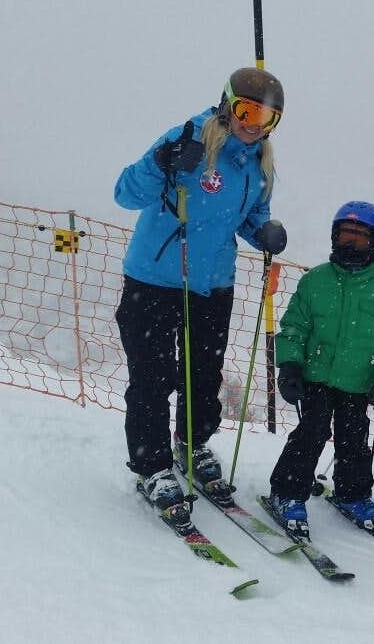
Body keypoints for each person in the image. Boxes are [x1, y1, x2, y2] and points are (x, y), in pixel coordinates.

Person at [114, 67, 288, 514]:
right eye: (247, 111)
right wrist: (161, 164)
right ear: (227, 104)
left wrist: (263, 231)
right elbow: (125, 194)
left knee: (202, 374)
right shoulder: (186, 136)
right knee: (153, 376)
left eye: (266, 118)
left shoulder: (259, 164)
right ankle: (152, 465)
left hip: (212, 283)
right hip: (154, 280)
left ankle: (191, 445)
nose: (253, 125)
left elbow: (252, 215)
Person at [265, 202, 374, 539]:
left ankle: (354, 494)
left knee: (355, 439)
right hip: (315, 376)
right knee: (311, 432)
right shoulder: (315, 281)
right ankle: (286, 493)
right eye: (346, 234)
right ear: (334, 236)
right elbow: (294, 328)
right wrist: (289, 368)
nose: (351, 242)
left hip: (359, 381)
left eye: (361, 237)